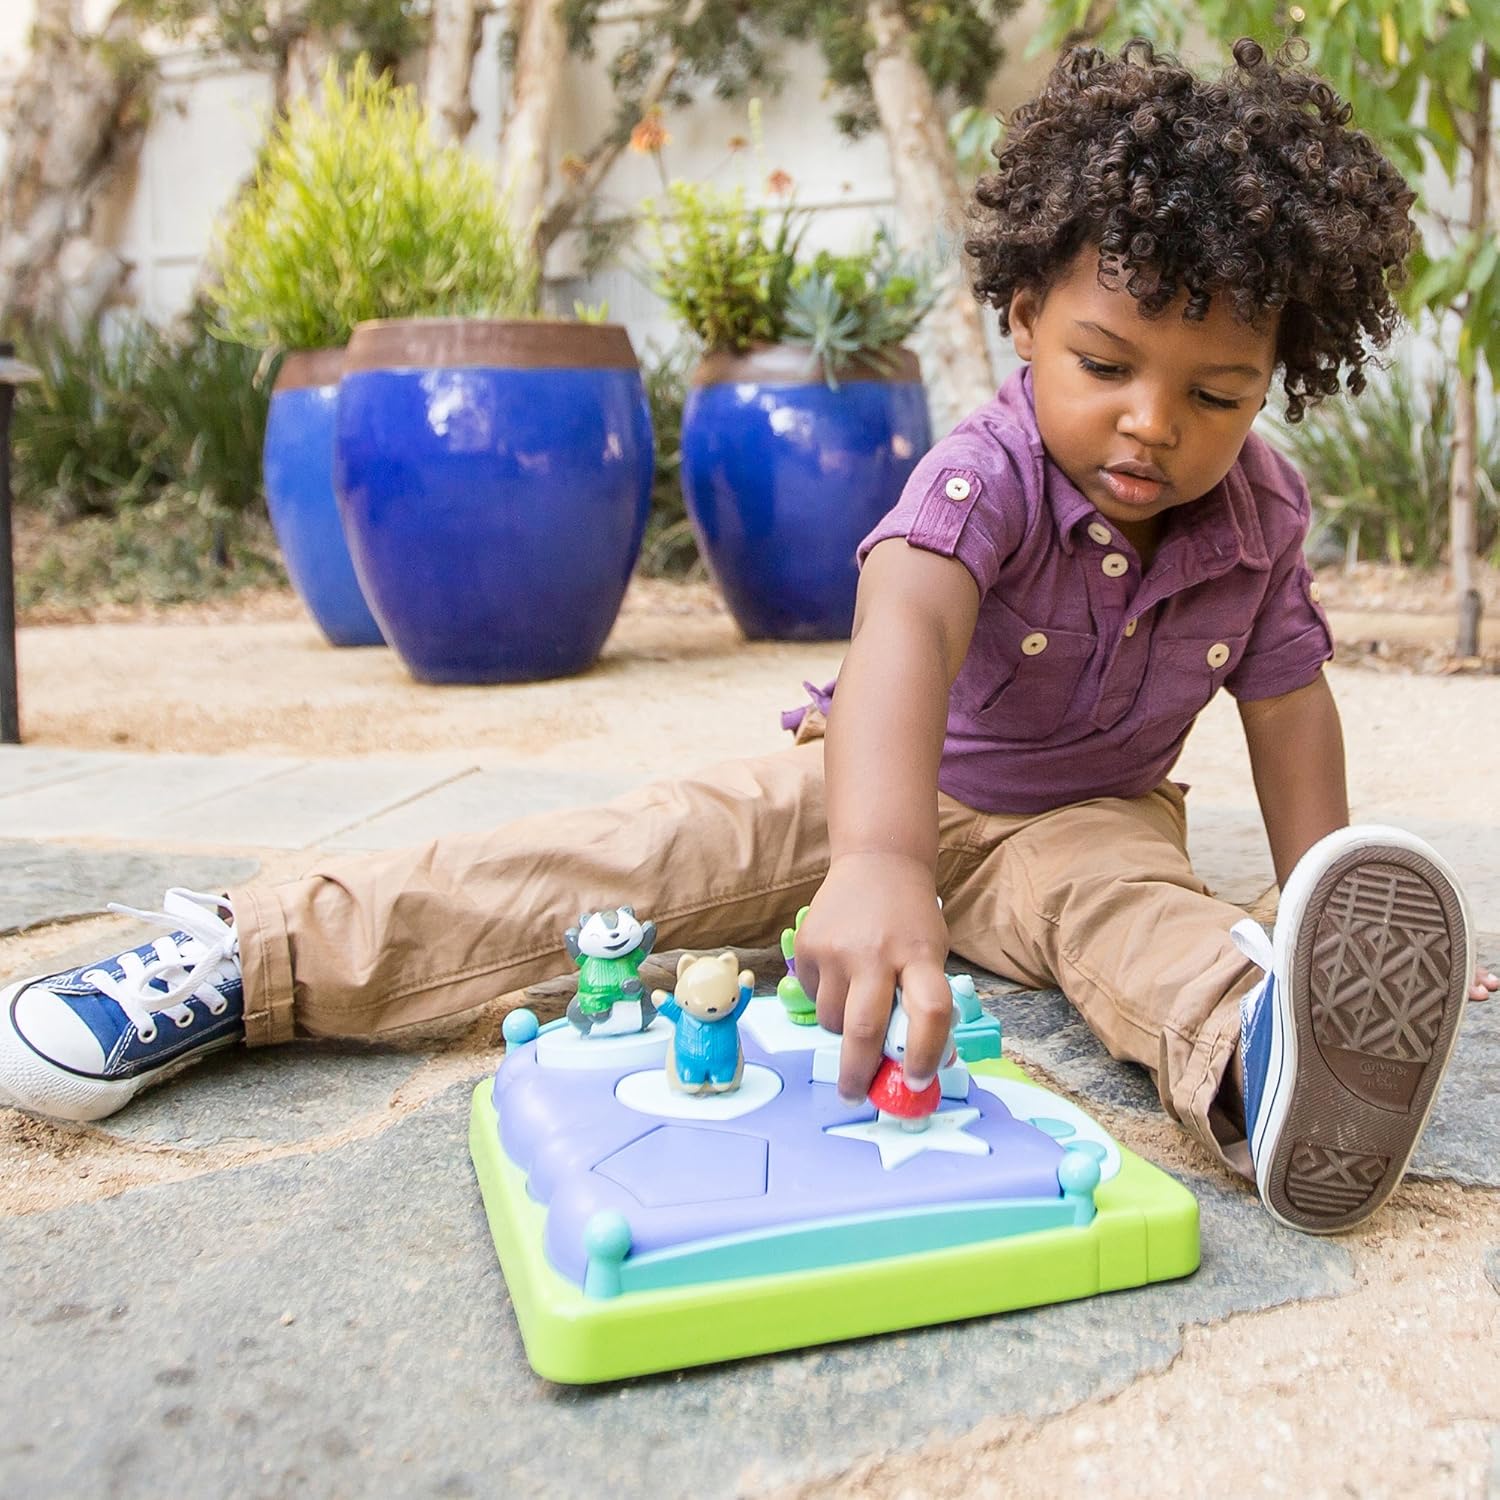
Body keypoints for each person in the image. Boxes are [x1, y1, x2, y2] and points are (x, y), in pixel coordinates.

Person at [1, 39, 1494, 1234]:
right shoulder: (984, 468)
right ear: (1022, 316)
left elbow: (1290, 704)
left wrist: (1321, 907)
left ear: (1275, 379)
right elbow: (904, 622)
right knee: (631, 863)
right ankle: (245, 956)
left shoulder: (1262, 520)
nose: (1153, 425)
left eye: (1218, 393)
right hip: (866, 784)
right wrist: (877, 860)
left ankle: (1274, 1046)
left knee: (1149, 928)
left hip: (1090, 819)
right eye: (1105, 363)